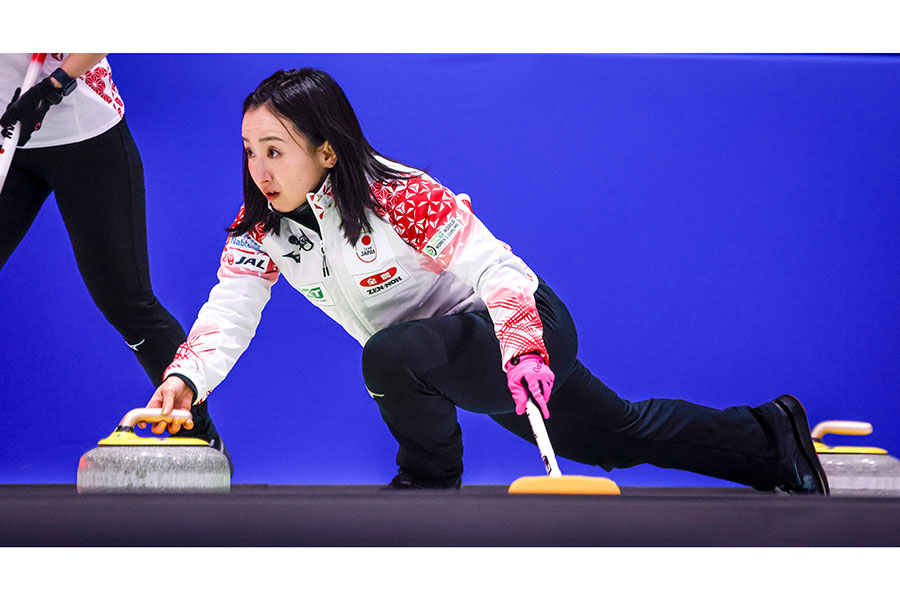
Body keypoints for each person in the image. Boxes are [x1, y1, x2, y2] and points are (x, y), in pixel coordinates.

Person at [145, 67, 828, 493]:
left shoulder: (398, 194)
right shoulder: (261, 227)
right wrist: (184, 382)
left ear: (326, 151)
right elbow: (228, 311)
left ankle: (430, 477)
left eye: (276, 151)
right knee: (615, 437)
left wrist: (524, 348)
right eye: (249, 151)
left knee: (386, 354)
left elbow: (497, 269)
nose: (260, 169)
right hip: (454, 359)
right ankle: (770, 440)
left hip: (521, 327)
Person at [0, 53, 230, 470]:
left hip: (85, 136)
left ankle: (199, 433)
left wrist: (56, 83)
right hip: (6, 135)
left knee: (127, 303)